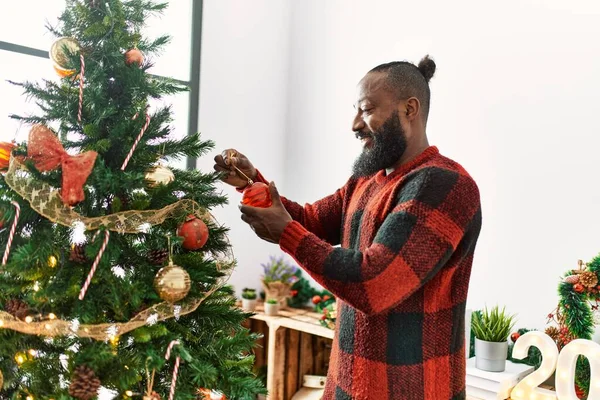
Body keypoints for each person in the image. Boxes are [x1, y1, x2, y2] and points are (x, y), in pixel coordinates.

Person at [214, 55, 482, 400]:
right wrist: (254, 183)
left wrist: (286, 234)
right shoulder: (367, 179)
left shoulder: (445, 185)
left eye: (367, 109)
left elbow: (373, 284)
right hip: (348, 386)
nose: (355, 124)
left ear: (409, 109)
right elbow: (311, 221)